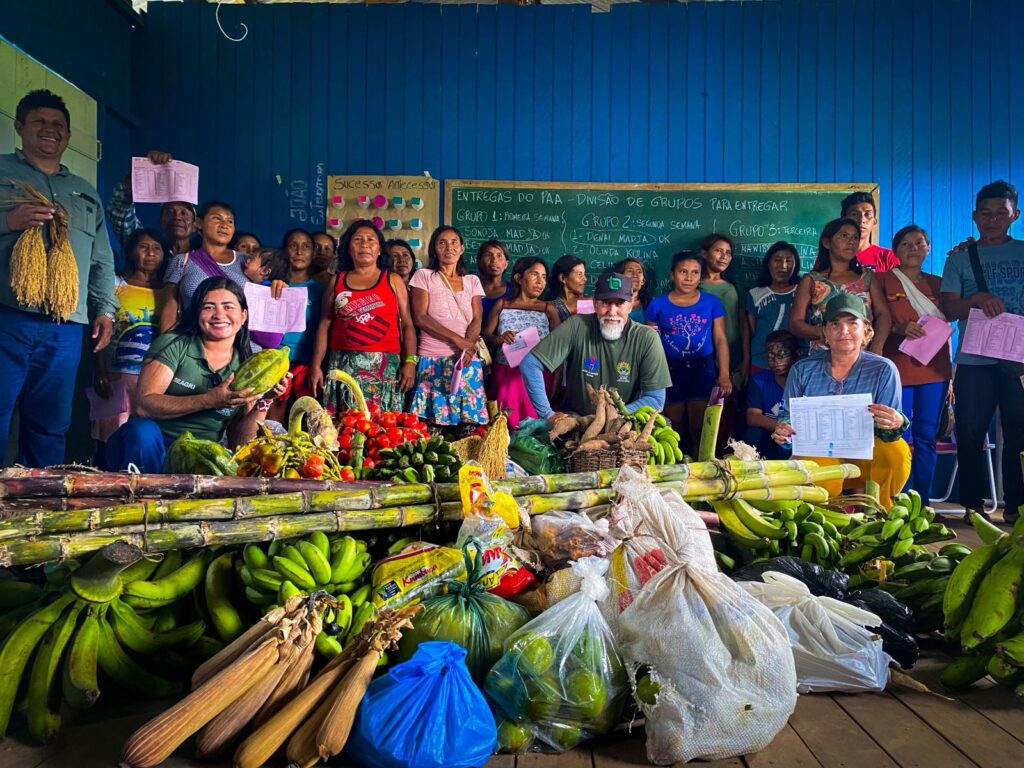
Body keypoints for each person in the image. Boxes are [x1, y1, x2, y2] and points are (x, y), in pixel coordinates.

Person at [0, 89, 117, 467]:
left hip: (65, 325)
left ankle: (38, 505)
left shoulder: (85, 192)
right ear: (19, 127)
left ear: (67, 135)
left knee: (51, 424)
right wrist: (7, 222)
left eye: (58, 125)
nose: (50, 130)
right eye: (39, 122)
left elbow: (101, 259)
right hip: (7, 315)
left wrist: (106, 310)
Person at [103, 277, 289, 473]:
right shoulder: (174, 344)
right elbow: (143, 406)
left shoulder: (246, 365)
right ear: (197, 314)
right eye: (209, 307)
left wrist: (265, 401)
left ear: (243, 316)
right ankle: (145, 498)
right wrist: (208, 400)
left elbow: (239, 443)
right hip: (148, 448)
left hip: (200, 455)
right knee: (142, 431)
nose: (219, 314)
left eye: (228, 307)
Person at [773, 293, 911, 509]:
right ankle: (825, 519)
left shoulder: (884, 369)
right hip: (821, 454)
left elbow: (889, 432)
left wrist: (896, 422)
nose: (843, 331)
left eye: (852, 323)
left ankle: (881, 513)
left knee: (896, 451)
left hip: (867, 457)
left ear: (866, 330)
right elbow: (787, 416)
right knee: (815, 476)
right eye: (835, 324)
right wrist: (783, 430)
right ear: (825, 332)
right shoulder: (802, 370)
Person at [941, 180, 1024, 523]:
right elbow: (947, 309)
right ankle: (973, 507)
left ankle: (1016, 508)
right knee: (971, 430)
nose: (992, 220)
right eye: (985, 214)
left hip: (1019, 358)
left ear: (1015, 215)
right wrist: (974, 300)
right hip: (974, 359)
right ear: (974, 216)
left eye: (1000, 213)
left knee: (1020, 431)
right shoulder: (961, 258)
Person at [868, 225, 951, 506]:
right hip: (896, 369)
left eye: (919, 243)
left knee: (927, 436)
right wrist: (900, 328)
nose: (913, 248)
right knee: (896, 433)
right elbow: (878, 320)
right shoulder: (881, 280)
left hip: (935, 370)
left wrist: (949, 377)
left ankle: (922, 503)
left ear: (928, 247)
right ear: (895, 250)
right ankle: (895, 502)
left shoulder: (940, 283)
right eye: (906, 244)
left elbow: (947, 330)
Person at [521, 272, 672, 420]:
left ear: (630, 305)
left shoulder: (647, 338)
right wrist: (548, 415)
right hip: (575, 421)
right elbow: (530, 364)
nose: (612, 312)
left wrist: (607, 418)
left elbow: (655, 399)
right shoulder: (577, 325)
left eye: (619, 303)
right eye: (605, 302)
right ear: (595, 303)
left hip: (623, 423)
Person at [309, 220, 417, 414]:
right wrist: (316, 365)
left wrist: (410, 362)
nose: (365, 244)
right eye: (358, 240)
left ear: (378, 250)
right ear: (348, 249)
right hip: (342, 366)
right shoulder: (338, 280)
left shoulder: (393, 279)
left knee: (382, 429)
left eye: (371, 240)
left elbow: (408, 325)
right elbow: (325, 324)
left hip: (384, 369)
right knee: (344, 429)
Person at [645, 253, 732, 457]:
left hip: (702, 369)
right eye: (683, 271)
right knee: (673, 428)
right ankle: (677, 468)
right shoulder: (657, 305)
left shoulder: (711, 302)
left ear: (701, 276)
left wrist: (725, 374)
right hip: (668, 370)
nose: (689, 277)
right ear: (672, 274)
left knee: (699, 427)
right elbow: (651, 344)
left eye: (695, 273)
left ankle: (700, 468)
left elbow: (720, 339)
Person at [91, 228, 166, 449]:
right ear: (131, 252)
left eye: (156, 248)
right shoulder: (115, 285)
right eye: (143, 247)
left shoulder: (169, 290)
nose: (150, 253)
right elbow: (98, 332)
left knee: (144, 437)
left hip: (154, 379)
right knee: (111, 437)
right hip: (116, 377)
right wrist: (101, 371)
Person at [408, 226, 488, 429]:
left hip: (466, 360)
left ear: (462, 248)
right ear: (434, 249)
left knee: (468, 428)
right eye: (442, 242)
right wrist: (457, 340)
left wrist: (468, 345)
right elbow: (420, 317)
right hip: (432, 359)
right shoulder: (424, 276)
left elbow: (477, 318)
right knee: (431, 429)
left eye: (454, 242)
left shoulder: (472, 281)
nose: (448, 247)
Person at [482, 257, 561, 428]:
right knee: (505, 424)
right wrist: (499, 338)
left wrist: (557, 379)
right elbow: (486, 334)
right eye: (534, 275)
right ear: (518, 278)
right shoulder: (503, 304)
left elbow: (560, 347)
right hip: (506, 373)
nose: (540, 281)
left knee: (535, 426)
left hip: (537, 376)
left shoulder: (548, 309)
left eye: (544, 277)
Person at [790, 218, 890, 351]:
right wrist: (824, 332)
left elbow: (883, 314)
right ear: (827, 243)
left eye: (855, 237)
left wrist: (877, 345)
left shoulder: (867, 277)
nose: (851, 242)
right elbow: (795, 323)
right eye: (844, 236)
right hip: (824, 357)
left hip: (863, 357)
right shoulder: (812, 280)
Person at [159, 200, 250, 333]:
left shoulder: (247, 262)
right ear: (199, 223)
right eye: (216, 218)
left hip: (240, 346)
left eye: (230, 221)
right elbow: (169, 309)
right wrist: (164, 347)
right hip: (193, 343)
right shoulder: (181, 261)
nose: (224, 225)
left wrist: (277, 284)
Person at [268, 235, 327, 421]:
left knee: (307, 418)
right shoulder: (271, 285)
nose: (299, 251)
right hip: (277, 362)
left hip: (309, 364)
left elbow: (326, 326)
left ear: (313, 253)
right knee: (273, 419)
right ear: (284, 251)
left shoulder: (321, 289)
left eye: (306, 246)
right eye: (293, 245)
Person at [107, 149, 197, 257]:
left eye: (183, 213)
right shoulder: (146, 247)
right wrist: (142, 172)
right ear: (161, 221)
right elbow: (119, 209)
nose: (176, 217)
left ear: (194, 225)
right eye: (169, 212)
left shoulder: (204, 257)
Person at [698, 234, 749, 389]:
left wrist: (746, 358)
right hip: (702, 353)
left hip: (734, 355)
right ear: (704, 253)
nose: (724, 256)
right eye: (718, 251)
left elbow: (743, 324)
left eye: (728, 253)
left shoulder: (735, 286)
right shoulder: (692, 285)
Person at [744, 241, 801, 371]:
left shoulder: (803, 291)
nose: (783, 266)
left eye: (789, 261)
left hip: (795, 362)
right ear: (768, 263)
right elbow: (753, 330)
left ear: (796, 265)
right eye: (777, 260)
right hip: (761, 360)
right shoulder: (755, 293)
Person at [743, 330, 798, 460]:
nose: (776, 361)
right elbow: (752, 417)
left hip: (793, 437)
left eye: (782, 355)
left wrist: (786, 433)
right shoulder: (759, 380)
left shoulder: (802, 381)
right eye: (770, 356)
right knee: (752, 435)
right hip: (769, 435)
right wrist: (780, 427)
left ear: (796, 355)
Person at [841, 191, 899, 272]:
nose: (861, 220)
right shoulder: (830, 256)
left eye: (867, 214)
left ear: (874, 222)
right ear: (843, 221)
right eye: (854, 214)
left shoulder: (888, 257)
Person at [544, 255, 588, 321]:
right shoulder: (549, 306)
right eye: (579, 274)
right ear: (563, 278)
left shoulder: (590, 302)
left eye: (584, 274)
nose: (585, 279)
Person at [477, 239, 510, 322]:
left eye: (499, 255)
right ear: (479, 262)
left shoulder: (514, 290)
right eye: (488, 255)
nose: (494, 260)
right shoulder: (471, 287)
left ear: (506, 264)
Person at [613, 257, 652, 323]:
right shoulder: (610, 301)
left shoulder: (651, 304)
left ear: (643, 281)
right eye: (630, 271)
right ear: (619, 277)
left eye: (639, 272)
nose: (635, 275)